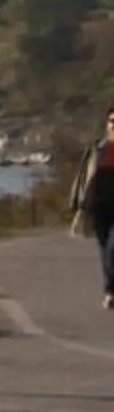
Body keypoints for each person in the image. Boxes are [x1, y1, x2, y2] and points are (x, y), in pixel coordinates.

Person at [68, 106, 114, 310]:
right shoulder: (98, 148)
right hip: (99, 205)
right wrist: (78, 204)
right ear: (107, 125)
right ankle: (110, 290)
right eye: (112, 121)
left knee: (113, 248)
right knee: (104, 250)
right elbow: (84, 177)